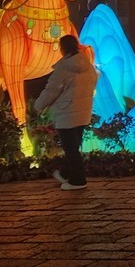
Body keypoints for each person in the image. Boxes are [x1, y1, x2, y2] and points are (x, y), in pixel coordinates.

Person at [34, 34, 98, 190]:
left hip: (66, 112)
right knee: (73, 147)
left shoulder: (64, 67)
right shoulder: (87, 64)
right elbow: (94, 81)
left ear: (62, 49)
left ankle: (78, 181)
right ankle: (65, 174)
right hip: (83, 111)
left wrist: (38, 105)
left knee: (70, 149)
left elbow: (52, 90)